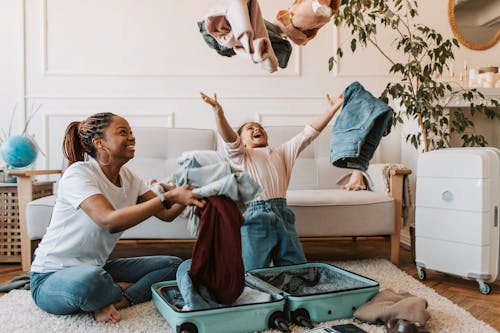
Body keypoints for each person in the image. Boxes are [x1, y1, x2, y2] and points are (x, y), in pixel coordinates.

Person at [30, 112, 206, 323]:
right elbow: (109, 220)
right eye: (123, 132)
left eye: (131, 132)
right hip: (51, 276)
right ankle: (106, 293)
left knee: (172, 264)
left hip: (98, 267)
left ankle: (120, 298)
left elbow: (166, 215)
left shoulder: (130, 178)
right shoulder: (79, 173)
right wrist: (167, 196)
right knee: (90, 281)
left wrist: (188, 196)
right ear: (99, 142)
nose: (132, 137)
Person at [200, 91, 343, 271]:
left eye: (259, 127)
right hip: (254, 218)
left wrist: (331, 110)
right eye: (250, 128)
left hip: (283, 215)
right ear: (242, 141)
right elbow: (229, 138)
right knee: (252, 272)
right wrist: (218, 113)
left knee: (298, 271)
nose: (256, 129)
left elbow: (309, 134)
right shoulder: (241, 156)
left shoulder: (282, 153)